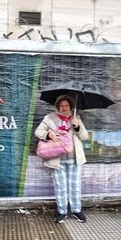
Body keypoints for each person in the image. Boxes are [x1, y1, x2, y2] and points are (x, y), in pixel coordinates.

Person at [35, 95, 89, 223]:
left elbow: (85, 136)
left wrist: (77, 127)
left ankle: (76, 210)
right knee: (60, 186)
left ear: (70, 106)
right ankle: (62, 211)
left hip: (74, 159)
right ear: (57, 106)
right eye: (61, 105)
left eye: (67, 105)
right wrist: (49, 134)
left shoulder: (76, 118)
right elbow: (38, 132)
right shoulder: (49, 118)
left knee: (75, 186)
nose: (64, 108)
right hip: (57, 159)